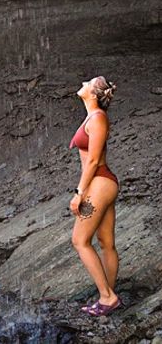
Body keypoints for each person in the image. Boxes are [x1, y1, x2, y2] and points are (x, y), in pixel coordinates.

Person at [68, 76, 120, 317]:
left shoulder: (98, 118)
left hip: (100, 182)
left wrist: (79, 192)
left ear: (94, 93)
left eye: (88, 82)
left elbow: (94, 160)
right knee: (106, 242)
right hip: (101, 183)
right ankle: (108, 292)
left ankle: (107, 297)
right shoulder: (92, 117)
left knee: (79, 240)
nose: (83, 82)